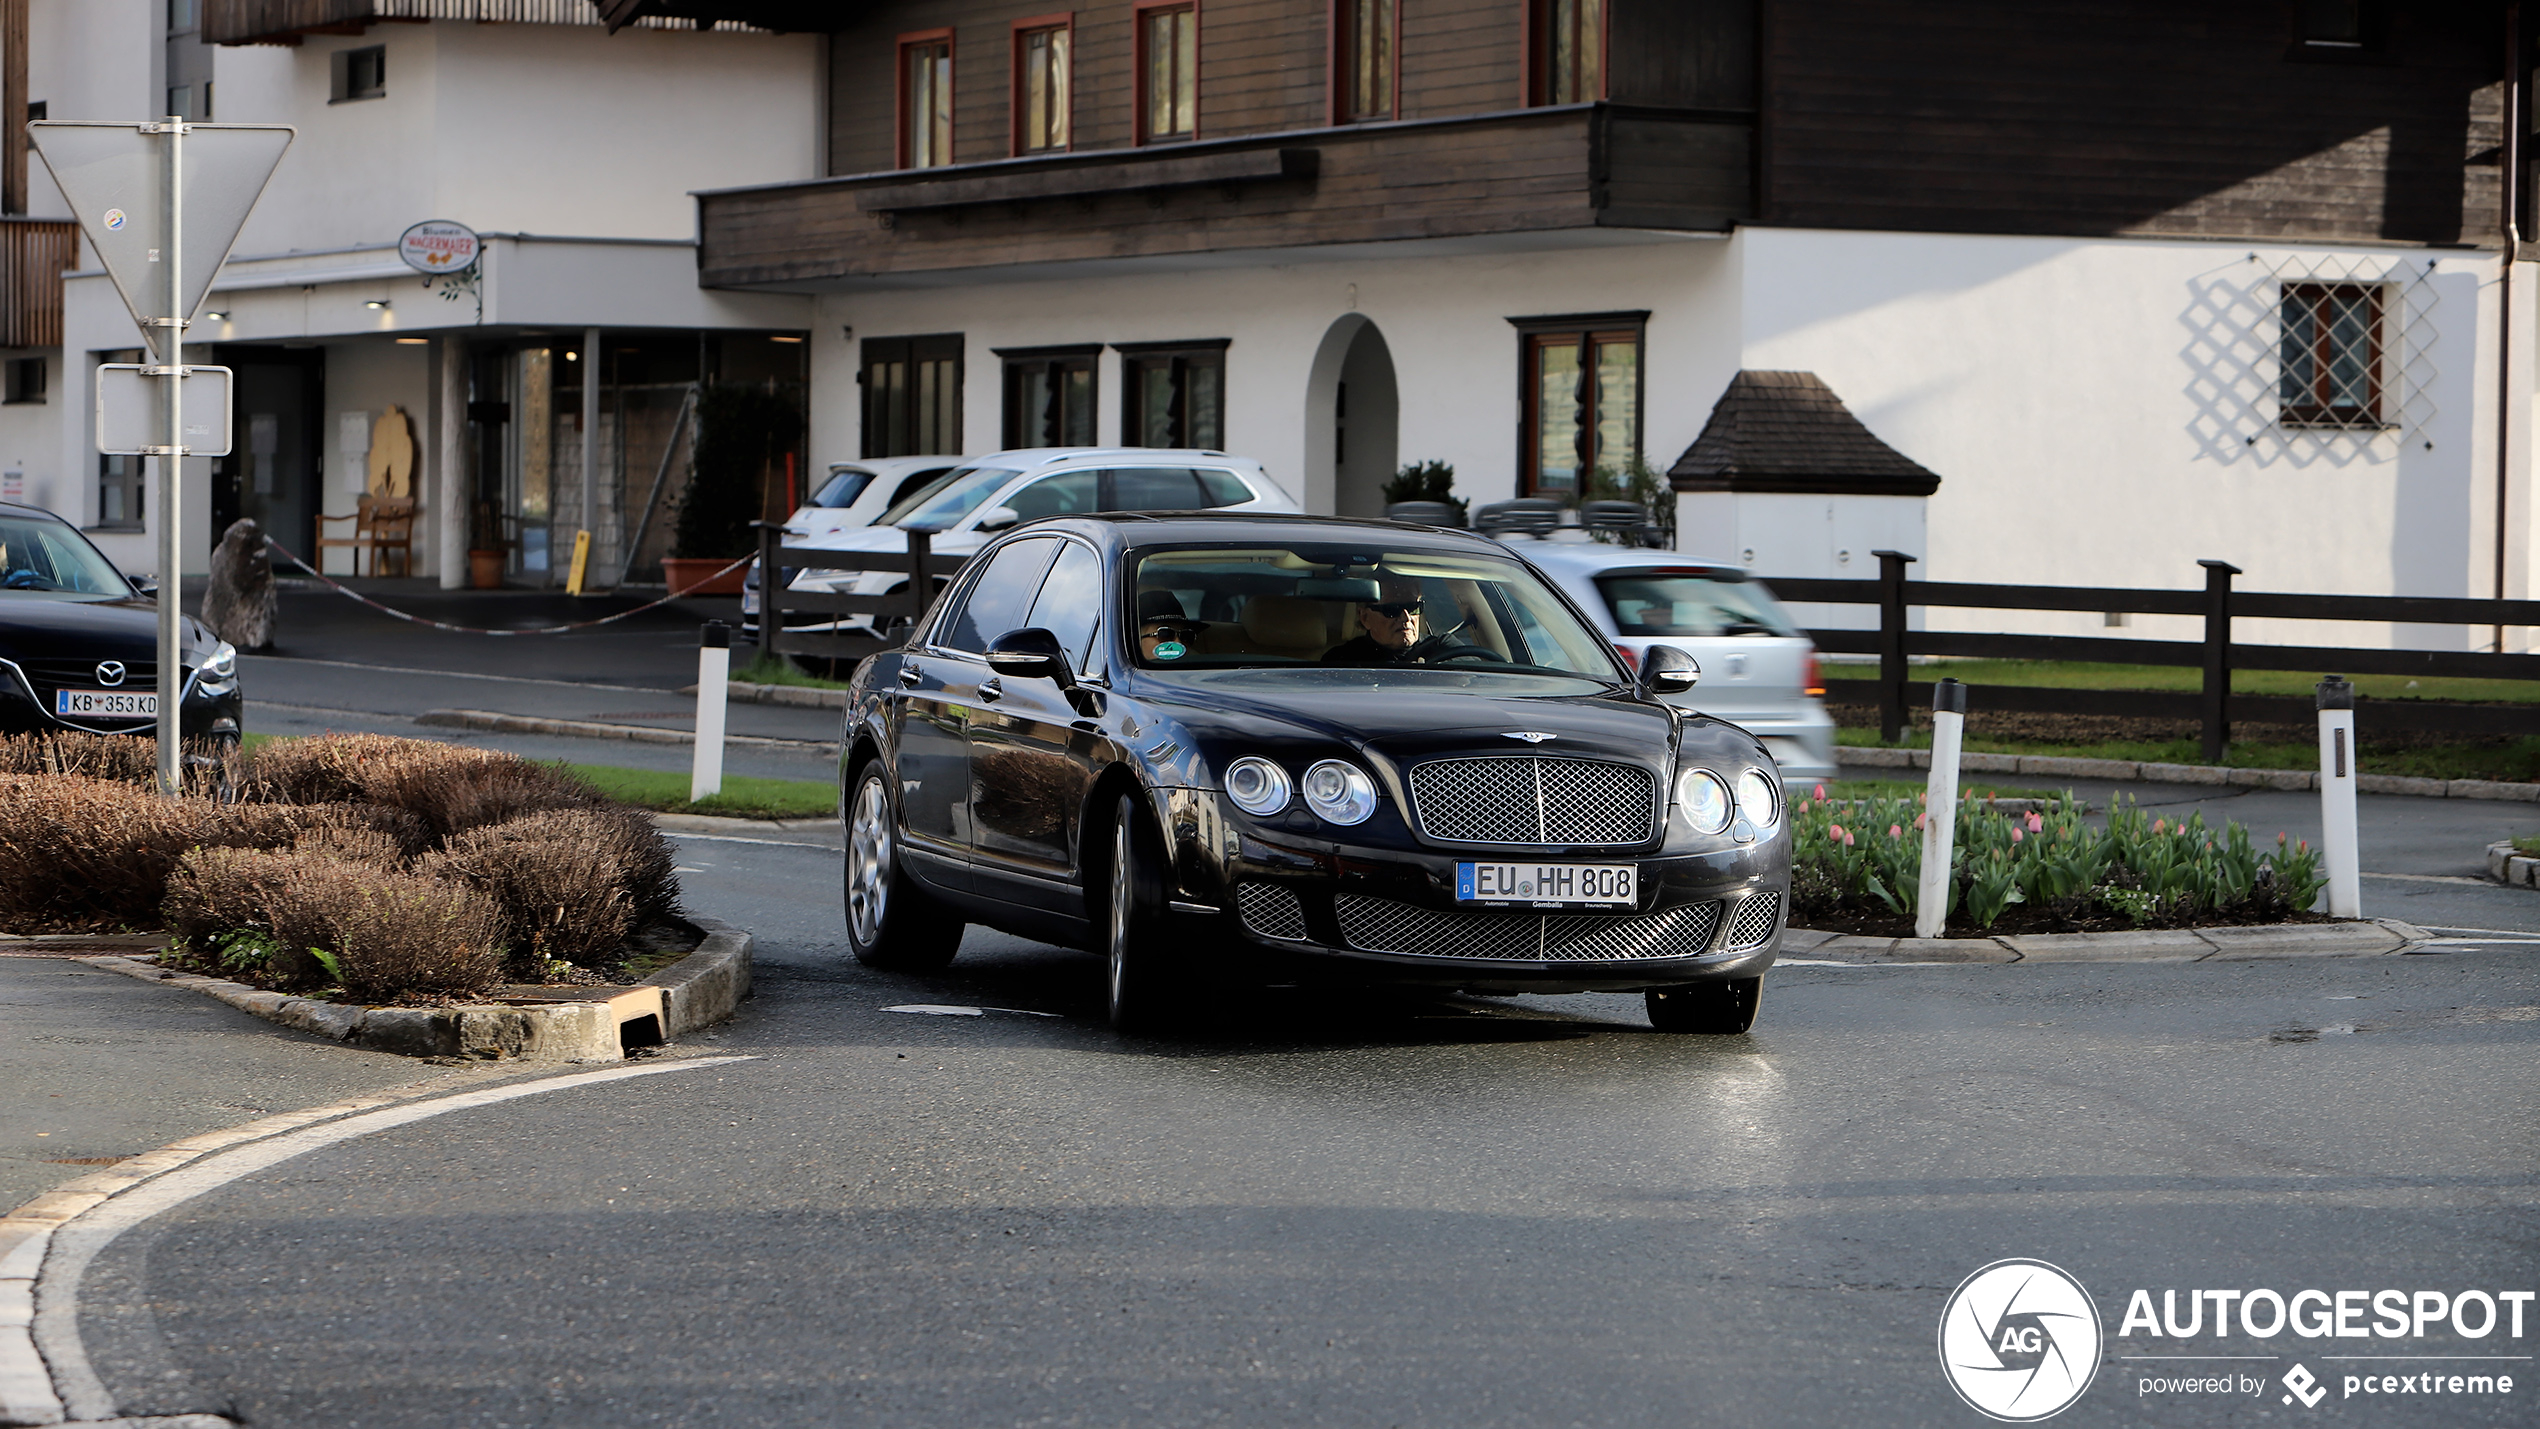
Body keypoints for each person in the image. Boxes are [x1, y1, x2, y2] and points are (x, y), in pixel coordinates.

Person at [1324, 592, 1459, 664]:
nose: (1406, 618)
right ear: (1365, 617)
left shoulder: (1443, 648)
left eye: (1413, 608)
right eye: (1392, 610)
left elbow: (1473, 677)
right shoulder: (1342, 660)